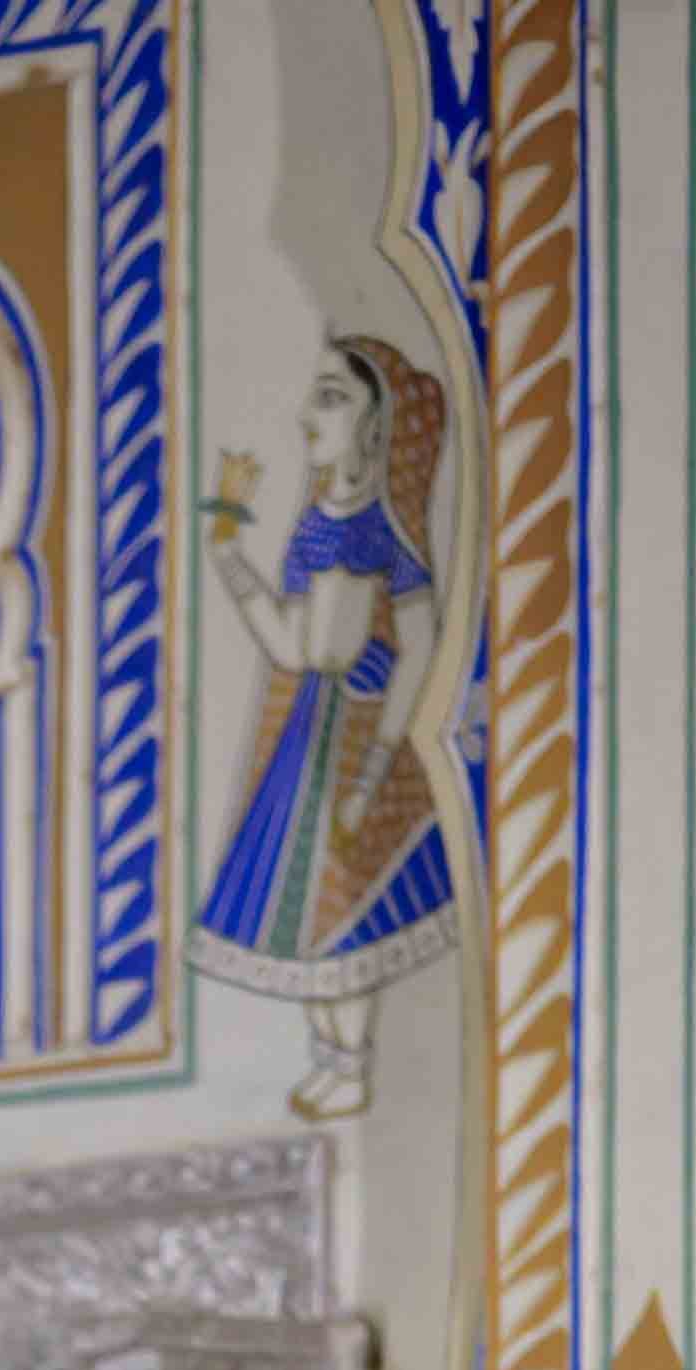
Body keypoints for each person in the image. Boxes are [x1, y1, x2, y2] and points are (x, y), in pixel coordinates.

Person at [193, 334, 455, 1117]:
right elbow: (292, 649)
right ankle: (331, 1058)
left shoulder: (386, 529)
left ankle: (352, 1064)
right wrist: (227, 552)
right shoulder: (314, 526)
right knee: (301, 912)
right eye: (316, 394)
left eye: (333, 397)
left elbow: (420, 647)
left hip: (368, 736)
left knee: (345, 912)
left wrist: (378, 764)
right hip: (311, 733)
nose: (308, 413)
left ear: (376, 424)